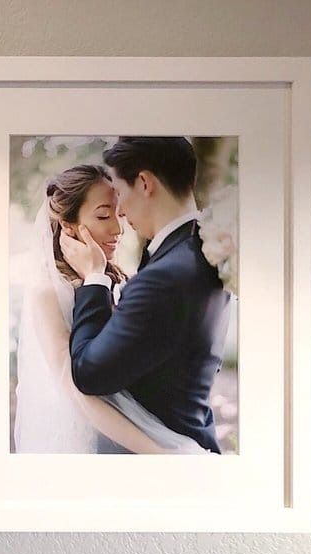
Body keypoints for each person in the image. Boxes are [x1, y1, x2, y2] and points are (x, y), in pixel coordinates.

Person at [14, 163, 208, 453]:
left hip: (135, 429)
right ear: (68, 225)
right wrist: (157, 452)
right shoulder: (47, 292)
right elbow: (77, 392)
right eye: (103, 215)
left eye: (119, 215)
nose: (118, 229)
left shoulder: (114, 280)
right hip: (87, 444)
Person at [60, 138, 230, 453]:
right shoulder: (201, 251)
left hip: (162, 459)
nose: (121, 213)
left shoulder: (166, 276)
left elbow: (88, 374)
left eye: (121, 195)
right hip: (187, 434)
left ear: (144, 182)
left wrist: (95, 279)